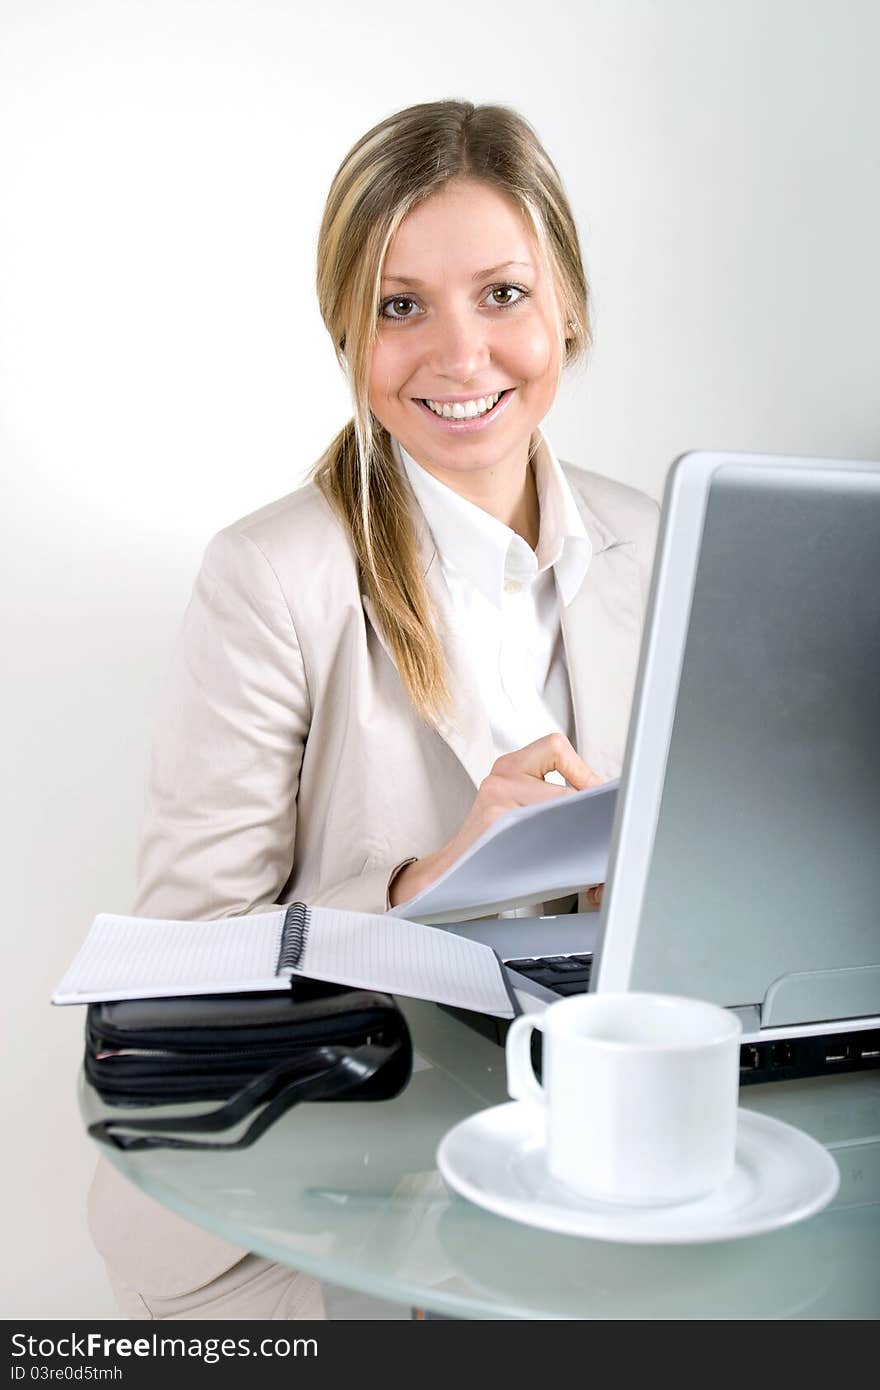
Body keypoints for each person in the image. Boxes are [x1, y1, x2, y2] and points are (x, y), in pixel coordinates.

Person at [88, 98, 660, 1319]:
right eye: (401, 306)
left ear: (568, 306)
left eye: (501, 294)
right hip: (331, 1189)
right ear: (349, 329)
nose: (459, 356)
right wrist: (427, 886)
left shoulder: (658, 543)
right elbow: (180, 966)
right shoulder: (270, 574)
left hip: (590, 1155)